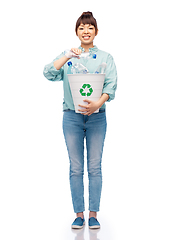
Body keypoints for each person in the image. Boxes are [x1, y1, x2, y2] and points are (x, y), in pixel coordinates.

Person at [43, 11, 117, 229]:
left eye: (90, 28)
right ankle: (79, 214)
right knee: (76, 167)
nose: (86, 31)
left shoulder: (105, 58)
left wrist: (97, 104)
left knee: (95, 167)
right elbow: (48, 73)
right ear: (76, 32)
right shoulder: (69, 55)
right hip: (71, 118)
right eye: (82, 28)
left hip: (97, 118)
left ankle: (93, 214)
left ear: (96, 32)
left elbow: (111, 86)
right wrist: (67, 55)